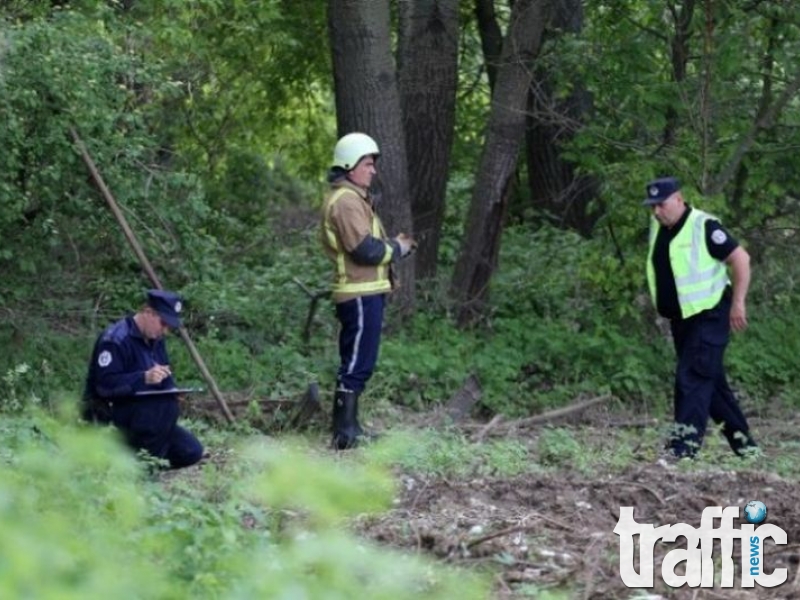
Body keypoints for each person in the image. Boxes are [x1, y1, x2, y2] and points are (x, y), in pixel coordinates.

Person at [643, 176, 758, 459]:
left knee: (692, 378)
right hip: (683, 320)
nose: (657, 211)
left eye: (662, 204)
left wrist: (738, 304)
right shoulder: (659, 228)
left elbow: (741, 259)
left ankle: (682, 451)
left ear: (679, 199)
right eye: (653, 207)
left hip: (711, 314)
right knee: (714, 387)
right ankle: (748, 450)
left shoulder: (703, 226)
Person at [320, 132, 416, 450]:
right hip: (358, 293)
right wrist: (398, 248)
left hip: (365, 292)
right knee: (357, 363)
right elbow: (365, 251)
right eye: (368, 164)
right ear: (349, 166)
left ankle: (350, 428)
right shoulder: (347, 201)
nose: (373, 170)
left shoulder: (353, 198)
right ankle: (345, 432)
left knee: (359, 360)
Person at [82, 289, 204, 469]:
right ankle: (139, 465)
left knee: (190, 450)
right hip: (113, 412)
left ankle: (142, 457)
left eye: (169, 327)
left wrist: (172, 390)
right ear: (148, 313)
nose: (165, 330)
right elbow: (104, 386)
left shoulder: (156, 339)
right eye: (163, 323)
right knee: (164, 407)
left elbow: (163, 374)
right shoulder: (115, 339)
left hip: (147, 417)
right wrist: (143, 378)